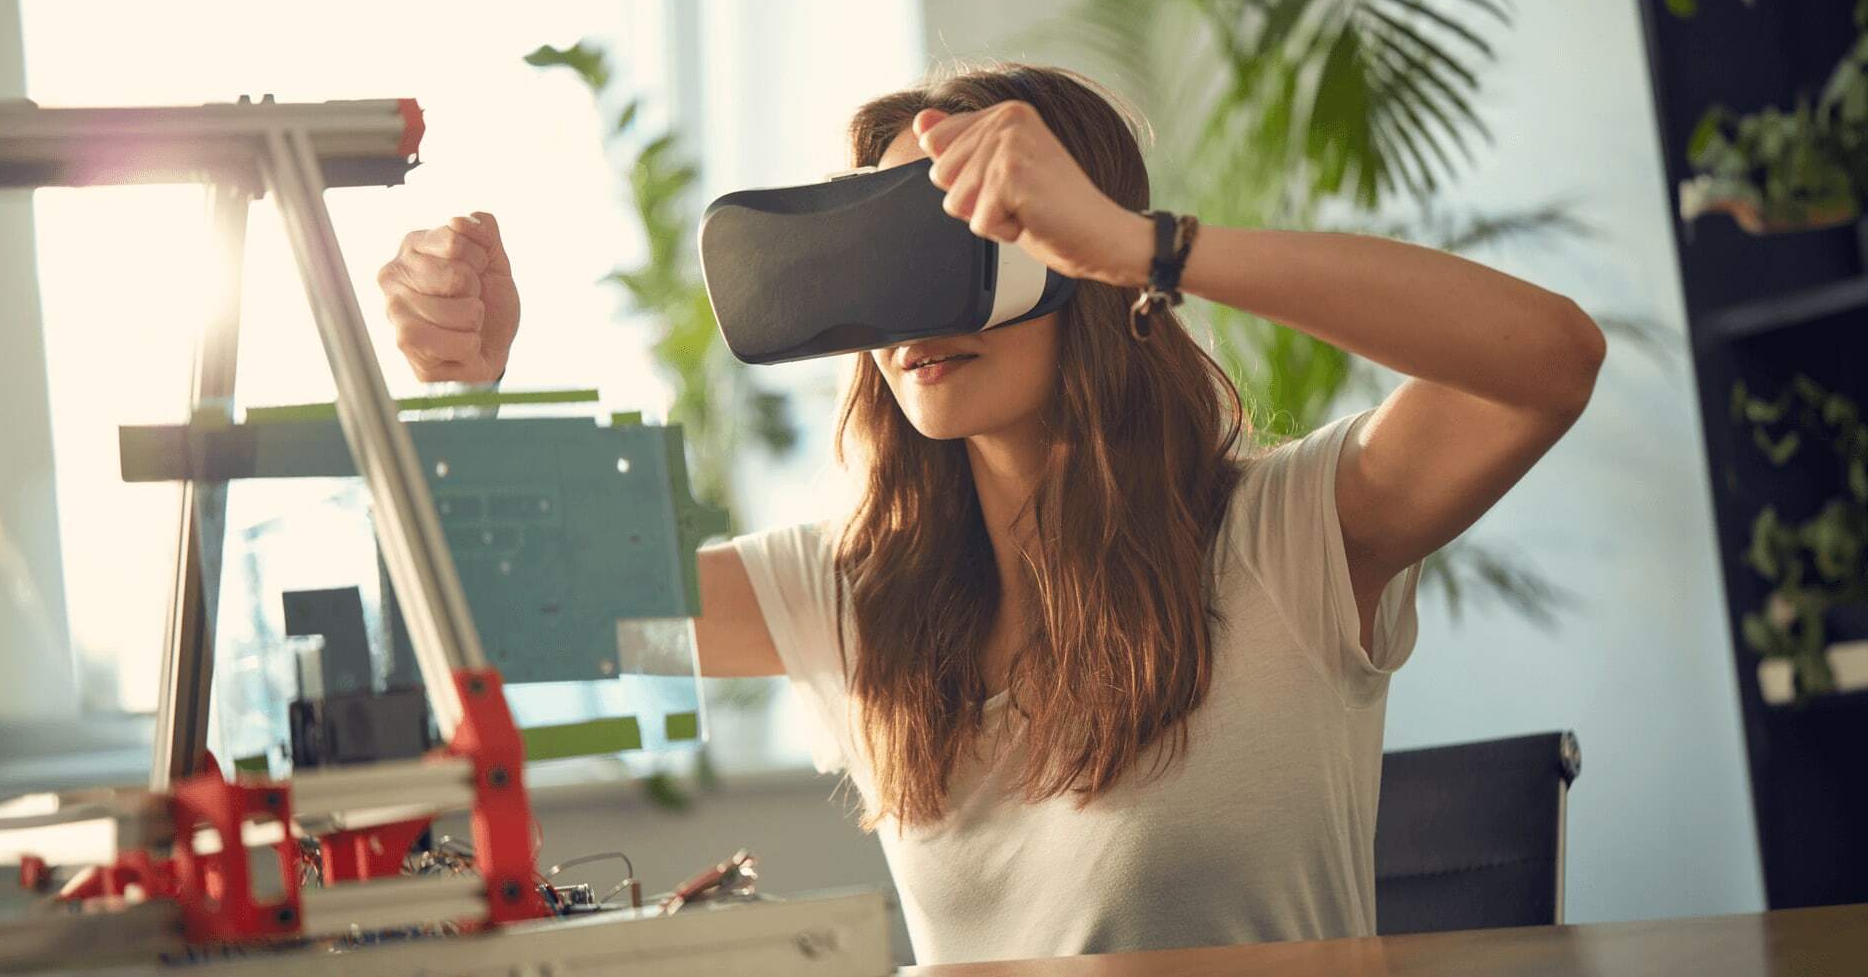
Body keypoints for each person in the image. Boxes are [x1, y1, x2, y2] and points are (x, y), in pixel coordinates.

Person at [375, 61, 1606, 965]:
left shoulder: (1284, 540)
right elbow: (508, 605)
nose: (911, 310)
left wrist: (1149, 249)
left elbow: (1547, 361)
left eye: (959, 239)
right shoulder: (850, 597)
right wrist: (466, 391)